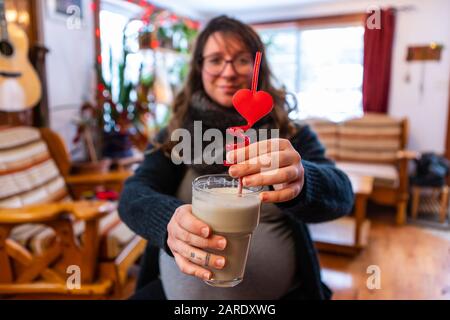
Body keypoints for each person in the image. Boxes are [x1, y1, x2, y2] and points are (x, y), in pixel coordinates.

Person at [119, 15, 354, 300]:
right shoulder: (176, 134)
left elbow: (342, 195)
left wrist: (303, 180)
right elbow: (133, 195)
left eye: (242, 60)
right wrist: (166, 219)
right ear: (200, 68)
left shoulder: (289, 134)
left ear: (258, 68)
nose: (228, 72)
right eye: (216, 59)